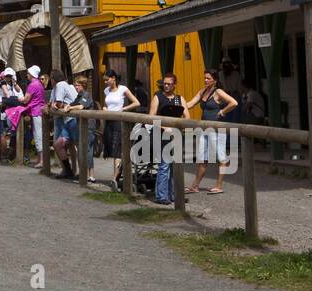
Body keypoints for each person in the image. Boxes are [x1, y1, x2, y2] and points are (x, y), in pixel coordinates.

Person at [186, 70, 238, 194]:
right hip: (204, 129)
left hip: (216, 129)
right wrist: (177, 106)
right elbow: (191, 104)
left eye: (208, 78)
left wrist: (223, 111)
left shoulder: (218, 92)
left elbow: (234, 103)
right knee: (202, 158)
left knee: (221, 158)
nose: (205, 80)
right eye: (204, 78)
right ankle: (195, 186)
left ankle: (219, 186)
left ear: (214, 80)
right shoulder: (203, 91)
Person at [149, 73, 189, 205]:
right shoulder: (158, 97)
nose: (166, 86)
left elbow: (187, 117)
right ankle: (161, 196)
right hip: (162, 135)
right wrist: (164, 128)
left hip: (176, 135)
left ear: (174, 84)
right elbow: (151, 117)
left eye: (169, 84)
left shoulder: (179, 99)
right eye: (164, 83)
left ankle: (173, 195)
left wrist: (179, 127)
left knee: (175, 166)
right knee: (164, 165)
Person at [101, 70, 140, 187]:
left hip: (119, 121)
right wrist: (105, 109)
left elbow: (136, 102)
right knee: (111, 149)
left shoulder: (123, 89)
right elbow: (108, 104)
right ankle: (116, 176)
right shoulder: (106, 90)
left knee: (117, 148)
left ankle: (115, 178)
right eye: (104, 80)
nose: (105, 82)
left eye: (107, 79)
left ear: (113, 78)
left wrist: (123, 109)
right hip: (108, 120)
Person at [50, 69, 80, 179]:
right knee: (58, 144)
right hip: (67, 121)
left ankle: (84, 174)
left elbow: (58, 103)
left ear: (54, 79)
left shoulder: (60, 85)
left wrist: (54, 105)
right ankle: (68, 170)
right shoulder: (66, 85)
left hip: (72, 120)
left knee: (78, 145)